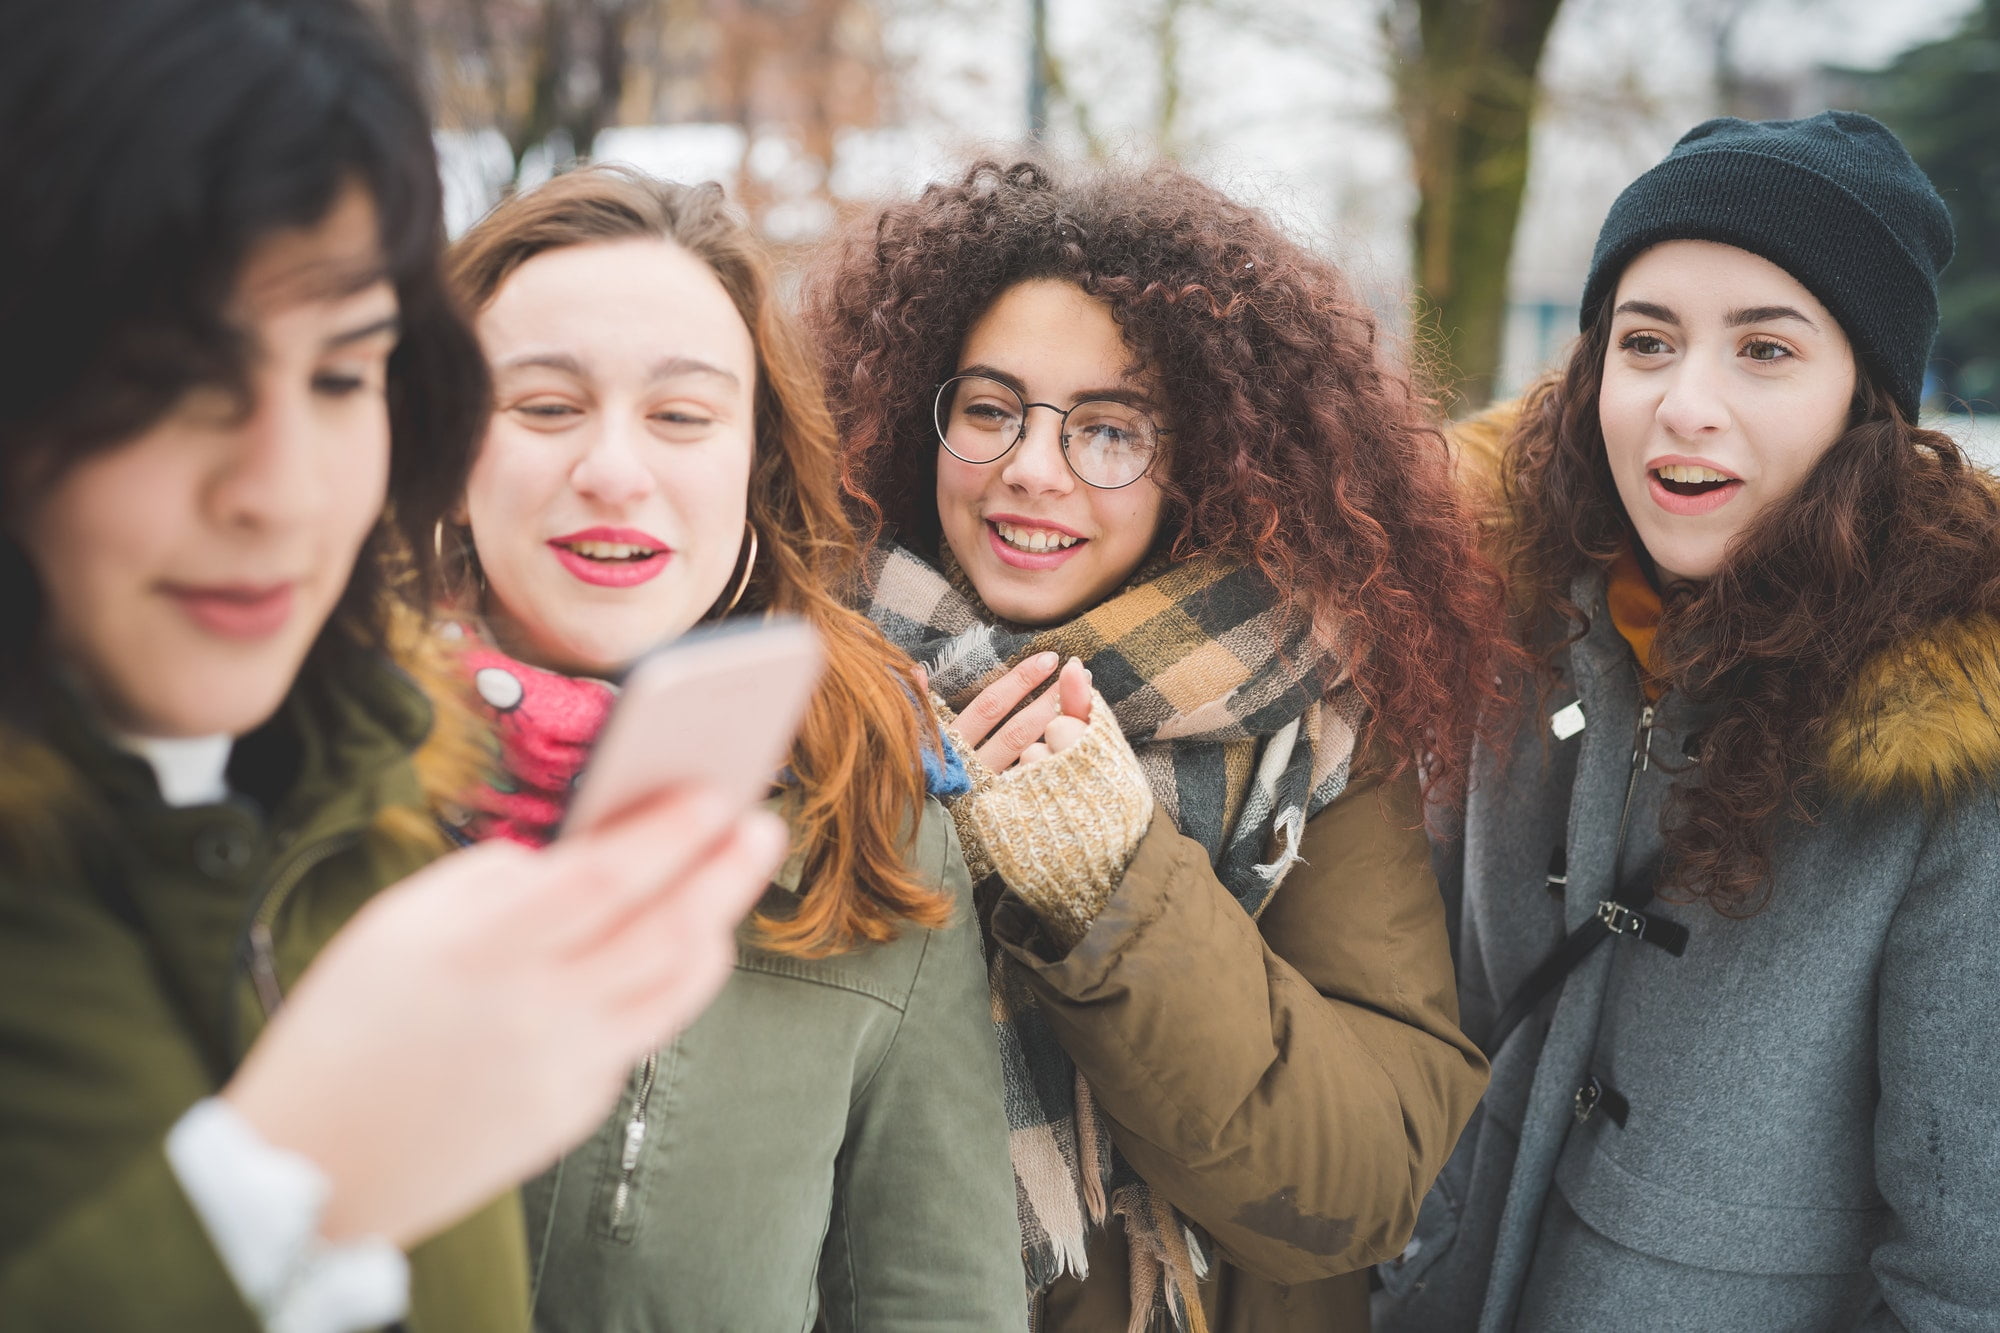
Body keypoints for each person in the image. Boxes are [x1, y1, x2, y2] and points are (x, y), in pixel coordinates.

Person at [0, 5, 782, 1330]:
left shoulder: (361, 796)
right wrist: (281, 1183)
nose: (280, 490)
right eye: (170, 378)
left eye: (340, 374)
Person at [805, 158, 1512, 1332]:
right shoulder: (796, 682)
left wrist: (1108, 880)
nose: (1032, 468)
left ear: (1205, 461)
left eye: (1108, 430)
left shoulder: (1320, 729)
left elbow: (1355, 1188)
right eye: (988, 410)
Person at [1373, 112, 2000, 1333]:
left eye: (1764, 350)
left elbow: (1965, 1273)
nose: (1683, 405)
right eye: (1646, 341)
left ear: (1860, 402)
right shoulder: (1513, 609)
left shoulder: (1947, 746)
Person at [436, 165, 1026, 1332]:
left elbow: (935, 1298)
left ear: (754, 468)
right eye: (545, 406)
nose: (613, 468)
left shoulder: (869, 802)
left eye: (680, 415)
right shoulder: (271, 759)